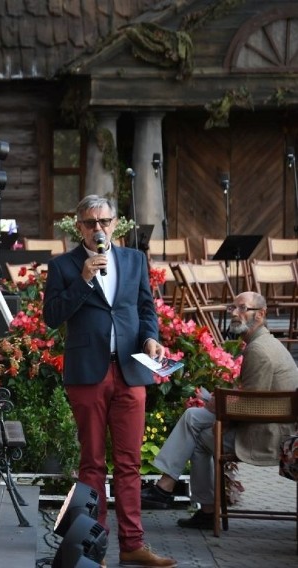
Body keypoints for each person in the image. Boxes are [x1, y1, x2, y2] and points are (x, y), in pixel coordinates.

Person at [44, 194, 176, 567]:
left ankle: (133, 545)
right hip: (88, 373)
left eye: (104, 222)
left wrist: (151, 338)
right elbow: (52, 316)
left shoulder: (134, 260)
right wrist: (84, 280)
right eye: (90, 223)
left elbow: (146, 309)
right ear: (79, 226)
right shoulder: (65, 266)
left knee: (130, 463)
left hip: (131, 371)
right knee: (92, 463)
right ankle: (92, 549)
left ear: (116, 224)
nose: (98, 229)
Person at [140, 291, 298, 527]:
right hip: (270, 424)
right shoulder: (262, 343)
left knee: (200, 436)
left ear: (261, 314)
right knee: (194, 419)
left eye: (243, 308)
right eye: (232, 308)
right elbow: (254, 397)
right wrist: (220, 402)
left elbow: (254, 406)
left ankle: (183, 498)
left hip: (268, 435)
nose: (235, 314)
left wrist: (221, 407)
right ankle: (176, 493)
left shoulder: (259, 350)